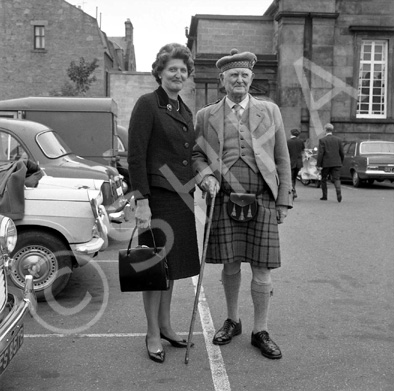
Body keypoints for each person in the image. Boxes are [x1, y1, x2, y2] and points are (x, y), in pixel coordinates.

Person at [192, 49, 293, 360]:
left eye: (244, 76)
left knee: (262, 267)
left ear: (252, 79)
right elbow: (196, 155)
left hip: (262, 197)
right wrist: (205, 176)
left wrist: (284, 200)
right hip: (222, 197)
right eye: (233, 75)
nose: (239, 80)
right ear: (223, 80)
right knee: (230, 263)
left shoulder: (271, 111)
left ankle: (260, 330)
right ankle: (232, 320)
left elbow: (281, 157)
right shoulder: (206, 115)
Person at [127, 43, 200, 364]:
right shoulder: (147, 105)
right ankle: (152, 333)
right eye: (172, 69)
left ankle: (167, 327)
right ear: (159, 72)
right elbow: (135, 156)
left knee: (171, 270)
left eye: (183, 71)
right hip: (156, 200)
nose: (178, 75)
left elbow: (189, 154)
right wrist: (141, 201)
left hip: (181, 199)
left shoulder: (183, 109)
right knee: (153, 269)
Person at [316, 123, 344, 202]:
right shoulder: (338, 140)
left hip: (326, 163)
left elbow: (321, 153)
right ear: (332, 130)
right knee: (336, 179)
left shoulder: (322, 140)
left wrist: (319, 164)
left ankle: (324, 196)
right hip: (336, 162)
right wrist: (341, 161)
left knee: (324, 179)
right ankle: (338, 191)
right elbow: (342, 152)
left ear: (325, 130)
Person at [287, 128, 305, 199]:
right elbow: (303, 151)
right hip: (298, 163)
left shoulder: (288, 142)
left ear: (291, 133)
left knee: (290, 178)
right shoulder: (301, 141)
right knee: (294, 178)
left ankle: (293, 191)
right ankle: (293, 190)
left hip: (291, 162)